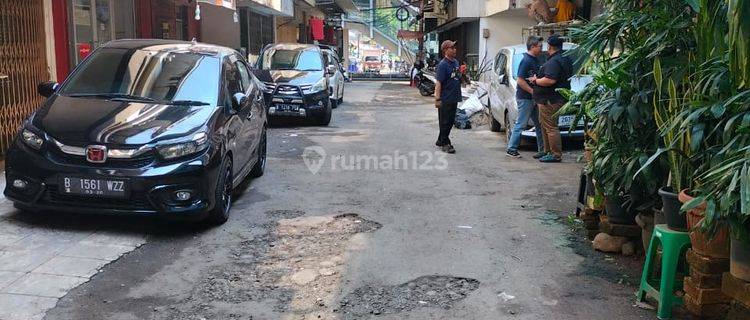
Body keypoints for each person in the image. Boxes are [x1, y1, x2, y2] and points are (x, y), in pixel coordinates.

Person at [529, 34, 574, 163]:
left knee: (551, 127)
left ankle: (555, 154)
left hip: (550, 100)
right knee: (545, 125)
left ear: (549, 46)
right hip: (553, 98)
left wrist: (536, 80)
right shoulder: (565, 58)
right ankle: (547, 151)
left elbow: (549, 80)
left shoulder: (555, 61)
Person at [506, 36, 545, 158]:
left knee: (539, 124)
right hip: (525, 98)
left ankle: (542, 149)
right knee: (521, 123)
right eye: (539, 46)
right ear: (532, 46)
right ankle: (511, 149)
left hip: (533, 98)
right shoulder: (526, 60)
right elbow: (520, 81)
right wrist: (532, 92)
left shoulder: (535, 59)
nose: (541, 49)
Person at [434, 40, 463, 154]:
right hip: (445, 98)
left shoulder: (455, 62)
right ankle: (446, 143)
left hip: (454, 96)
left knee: (450, 121)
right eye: (452, 48)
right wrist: (437, 98)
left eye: (455, 48)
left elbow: (457, 76)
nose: (454, 50)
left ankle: (440, 139)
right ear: (445, 50)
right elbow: (439, 83)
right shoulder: (443, 65)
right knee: (445, 121)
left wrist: (462, 74)